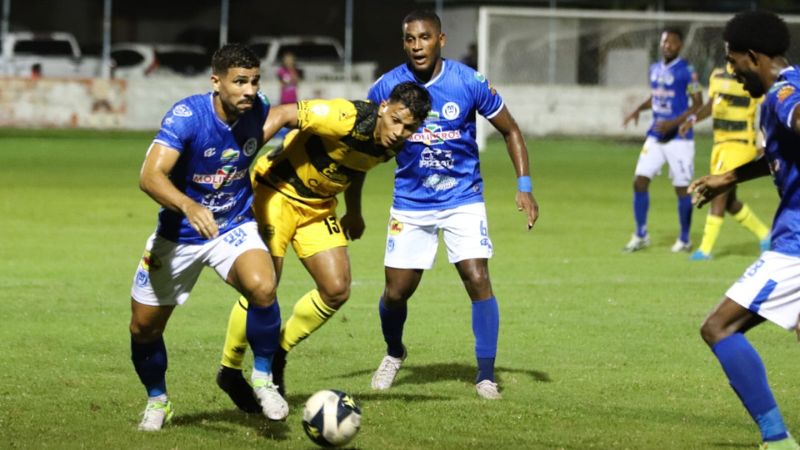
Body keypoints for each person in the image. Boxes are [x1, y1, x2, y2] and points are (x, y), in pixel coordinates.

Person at [214, 81, 432, 410]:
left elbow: (357, 165)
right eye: (397, 120)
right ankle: (230, 370)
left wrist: (354, 211)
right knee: (262, 286)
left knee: (336, 289)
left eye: (410, 127)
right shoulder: (345, 116)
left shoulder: (393, 144)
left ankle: (279, 352)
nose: (400, 131)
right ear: (385, 106)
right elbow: (283, 113)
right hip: (275, 192)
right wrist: (238, 162)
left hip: (318, 207)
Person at [367, 10, 539, 400]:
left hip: (463, 197)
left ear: (440, 40)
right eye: (410, 39)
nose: (417, 46)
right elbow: (364, 138)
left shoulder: (468, 81)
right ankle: (395, 353)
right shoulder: (387, 86)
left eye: (424, 38)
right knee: (396, 293)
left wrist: (524, 186)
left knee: (477, 277)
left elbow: (511, 130)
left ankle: (485, 375)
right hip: (411, 202)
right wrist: (354, 205)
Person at [128, 43, 290, 431]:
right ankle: (158, 400)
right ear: (216, 82)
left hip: (232, 226)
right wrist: (188, 206)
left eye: (253, 81)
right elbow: (149, 176)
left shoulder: (259, 109)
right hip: (179, 234)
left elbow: (287, 114)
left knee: (263, 287)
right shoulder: (187, 116)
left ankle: (264, 379)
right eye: (239, 82)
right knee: (144, 328)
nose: (249, 90)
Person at [692, 10, 800, 450]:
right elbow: (781, 152)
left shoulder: (782, 92)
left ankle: (776, 439)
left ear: (754, 57)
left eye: (735, 62)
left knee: (718, 328)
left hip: (796, 245)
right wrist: (728, 177)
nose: (733, 73)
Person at [677, 64, 771, 260]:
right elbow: (712, 104)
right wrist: (692, 119)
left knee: (718, 192)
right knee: (729, 201)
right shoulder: (717, 75)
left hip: (740, 143)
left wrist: (765, 138)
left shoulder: (751, 77)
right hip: (720, 144)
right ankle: (765, 235)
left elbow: (767, 107)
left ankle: (705, 249)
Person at [622, 27, 703, 253]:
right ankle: (640, 235)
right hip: (656, 135)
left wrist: (674, 123)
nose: (667, 45)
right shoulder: (654, 69)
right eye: (664, 42)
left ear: (679, 45)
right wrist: (639, 108)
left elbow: (698, 103)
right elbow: (657, 95)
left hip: (679, 137)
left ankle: (685, 239)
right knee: (639, 180)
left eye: (672, 42)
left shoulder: (687, 71)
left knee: (681, 188)